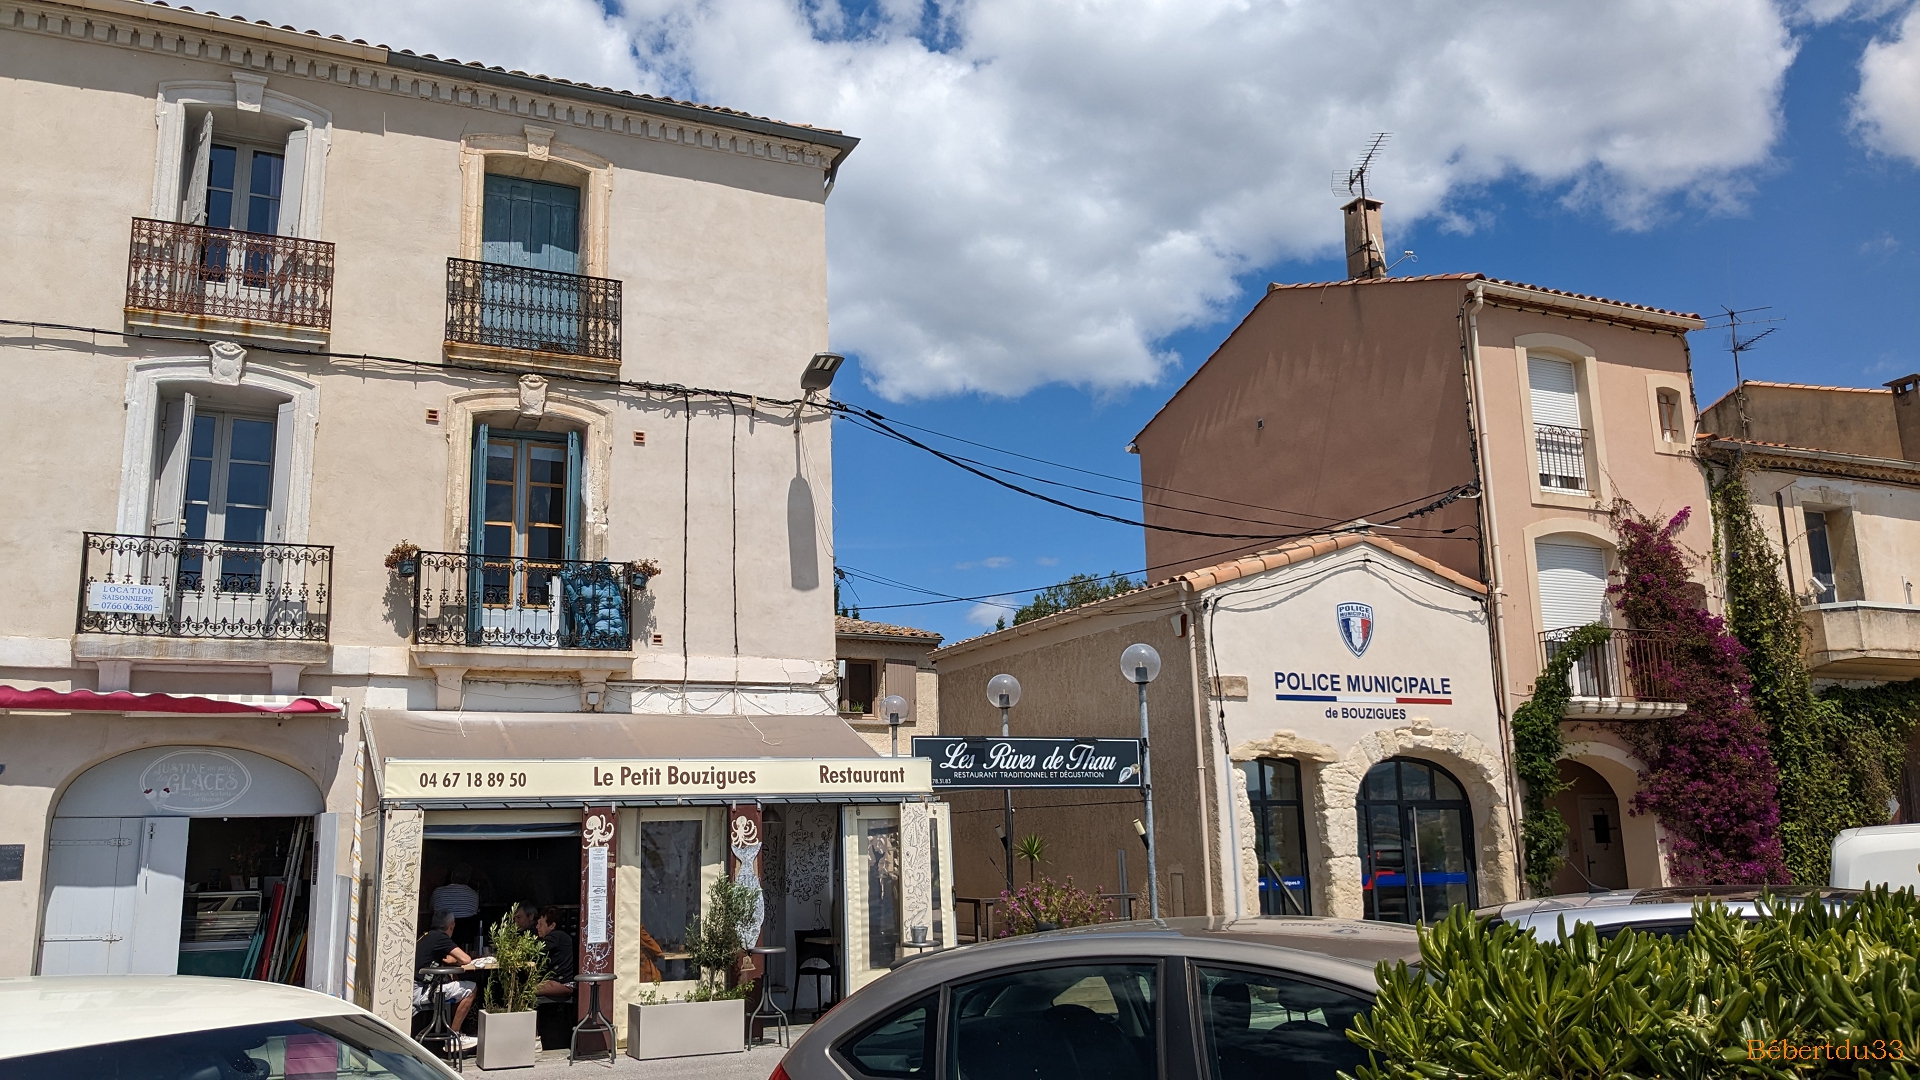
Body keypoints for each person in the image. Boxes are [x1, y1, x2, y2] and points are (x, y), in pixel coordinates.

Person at [414, 910, 479, 1052]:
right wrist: (455, 960)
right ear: (451, 926)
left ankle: (453, 1033)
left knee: (456, 984)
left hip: (413, 988)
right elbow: (466, 959)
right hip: (422, 992)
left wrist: (450, 960)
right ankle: (454, 1037)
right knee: (471, 988)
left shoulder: (427, 936)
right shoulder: (440, 937)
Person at [429, 864, 481, 947]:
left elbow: (431, 909)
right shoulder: (474, 894)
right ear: (468, 879)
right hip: (466, 936)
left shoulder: (438, 892)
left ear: (452, 876)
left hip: (441, 936)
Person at [532, 906, 577, 999]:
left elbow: (535, 950)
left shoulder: (556, 936)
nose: (537, 927)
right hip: (555, 981)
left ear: (552, 925)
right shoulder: (558, 937)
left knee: (526, 990)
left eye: (541, 924)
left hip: (563, 983)